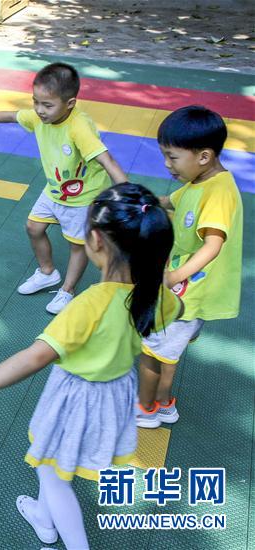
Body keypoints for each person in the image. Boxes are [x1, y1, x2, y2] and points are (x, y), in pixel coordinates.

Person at [0, 184, 179, 549]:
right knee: (51, 460)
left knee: (52, 473)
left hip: (76, 399)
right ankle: (43, 515)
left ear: (96, 240)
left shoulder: (91, 304)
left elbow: (36, 356)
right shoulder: (156, 295)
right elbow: (174, 308)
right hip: (114, 394)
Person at [0, 62, 128, 314]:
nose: (39, 110)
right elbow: (12, 115)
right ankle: (47, 272)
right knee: (34, 226)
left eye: (48, 105)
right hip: (55, 189)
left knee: (77, 245)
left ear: (70, 103)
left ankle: (67, 290)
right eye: (36, 102)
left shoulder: (79, 127)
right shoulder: (40, 117)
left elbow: (107, 160)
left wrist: (127, 192)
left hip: (83, 197)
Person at [136, 106, 243, 428]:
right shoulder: (201, 181)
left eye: (172, 157)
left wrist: (172, 277)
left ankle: (148, 408)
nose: (167, 165)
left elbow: (213, 244)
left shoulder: (219, 192)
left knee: (151, 353)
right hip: (189, 291)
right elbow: (174, 200)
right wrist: (144, 199)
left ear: (204, 156)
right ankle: (163, 403)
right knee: (167, 354)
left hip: (188, 292)